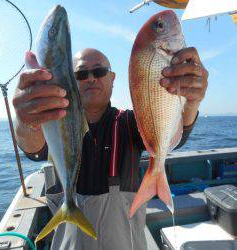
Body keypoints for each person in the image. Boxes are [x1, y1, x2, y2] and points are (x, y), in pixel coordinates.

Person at [13, 47, 208, 250]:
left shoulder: (131, 121)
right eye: (81, 74)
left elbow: (174, 137)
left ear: (112, 78)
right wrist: (26, 121)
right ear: (71, 81)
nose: (91, 79)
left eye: (99, 72)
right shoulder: (56, 125)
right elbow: (34, 148)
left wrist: (191, 103)